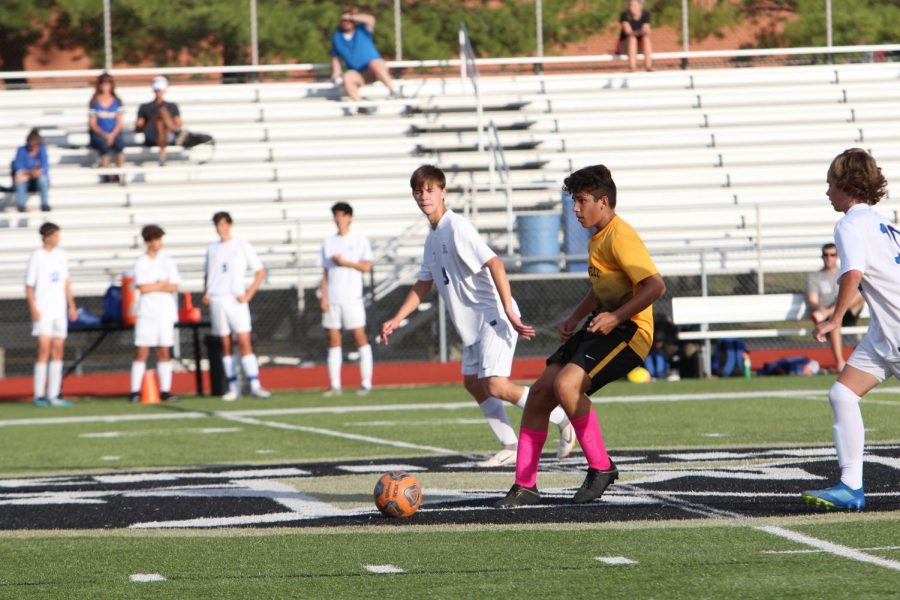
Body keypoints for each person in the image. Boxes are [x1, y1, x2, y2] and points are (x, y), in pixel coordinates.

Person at [381, 165, 576, 467]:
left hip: (493, 317)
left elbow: (495, 263)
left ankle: (562, 417)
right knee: (473, 383)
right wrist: (397, 318)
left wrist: (509, 310)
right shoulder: (432, 238)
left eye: (430, 189)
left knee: (496, 385)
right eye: (418, 191)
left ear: (443, 192)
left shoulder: (456, 227)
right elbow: (423, 283)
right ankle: (511, 444)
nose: (424, 196)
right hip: (472, 327)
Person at [495, 164, 666, 507]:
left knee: (566, 385)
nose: (575, 208)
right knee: (541, 392)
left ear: (603, 201)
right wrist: (575, 315)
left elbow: (655, 286)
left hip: (630, 332)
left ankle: (601, 467)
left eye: (581, 200)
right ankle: (525, 485)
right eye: (573, 200)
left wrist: (616, 316)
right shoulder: (597, 236)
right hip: (602, 325)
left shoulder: (621, 235)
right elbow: (602, 285)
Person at [802, 148, 896, 512]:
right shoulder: (885, 224)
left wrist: (836, 317)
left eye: (830, 184)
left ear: (845, 184)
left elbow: (852, 272)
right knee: (842, 395)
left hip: (897, 330)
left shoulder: (850, 225)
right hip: (884, 332)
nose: (827, 192)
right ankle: (850, 486)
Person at [203, 211, 270, 401]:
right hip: (217, 298)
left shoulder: (241, 245)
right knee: (225, 343)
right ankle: (233, 387)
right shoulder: (212, 248)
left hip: (235, 299)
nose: (220, 228)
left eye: (223, 224)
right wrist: (207, 292)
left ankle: (255, 384)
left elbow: (260, 271)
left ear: (230, 225)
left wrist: (248, 294)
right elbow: (208, 273)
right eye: (217, 225)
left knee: (243, 341)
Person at [321, 202, 374, 396]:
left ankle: (366, 383)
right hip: (333, 299)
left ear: (350, 217)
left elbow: (367, 266)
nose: (339, 219)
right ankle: (335, 385)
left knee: (359, 337)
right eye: (336, 216)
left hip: (352, 298)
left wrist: (345, 263)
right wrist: (324, 296)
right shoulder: (328, 242)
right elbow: (325, 272)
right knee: (333, 340)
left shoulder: (359, 240)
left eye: (342, 215)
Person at [25, 222, 77, 407]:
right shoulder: (36, 257)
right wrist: (33, 308)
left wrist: (71, 306)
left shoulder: (61, 255)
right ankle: (39, 395)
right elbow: (29, 286)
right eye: (55, 235)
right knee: (43, 350)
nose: (58, 239)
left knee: (58, 351)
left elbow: (66, 282)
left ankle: (54, 395)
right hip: (43, 310)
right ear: (46, 237)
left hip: (59, 310)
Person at [129, 225, 181, 403]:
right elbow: (142, 287)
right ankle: (135, 390)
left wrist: (155, 285)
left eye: (160, 239)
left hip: (165, 312)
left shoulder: (168, 260)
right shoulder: (141, 262)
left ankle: (165, 390)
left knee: (164, 350)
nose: (159, 243)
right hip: (147, 313)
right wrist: (161, 284)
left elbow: (174, 285)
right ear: (148, 242)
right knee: (142, 350)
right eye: (155, 239)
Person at [805, 242, 865, 372]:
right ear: (822, 257)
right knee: (834, 321)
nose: (829, 258)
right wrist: (820, 309)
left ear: (837, 256)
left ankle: (831, 313)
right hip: (827, 316)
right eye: (826, 255)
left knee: (859, 294)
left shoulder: (846, 273)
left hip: (847, 312)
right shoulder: (815, 277)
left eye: (832, 255)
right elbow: (812, 300)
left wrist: (828, 311)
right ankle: (840, 363)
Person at [330, 6, 400, 111]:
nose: (346, 22)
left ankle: (394, 91)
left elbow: (370, 19)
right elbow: (336, 57)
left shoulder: (362, 30)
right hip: (361, 74)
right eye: (344, 20)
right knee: (347, 77)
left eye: (349, 20)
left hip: (376, 70)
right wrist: (336, 72)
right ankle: (362, 105)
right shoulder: (337, 37)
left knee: (374, 63)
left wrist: (351, 16)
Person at [135, 76, 183, 166]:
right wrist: (140, 124)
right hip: (152, 135)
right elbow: (138, 128)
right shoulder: (145, 107)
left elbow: (179, 123)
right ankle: (176, 133)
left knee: (161, 120)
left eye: (160, 89)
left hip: (167, 135)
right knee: (161, 115)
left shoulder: (172, 106)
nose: (159, 92)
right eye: (157, 89)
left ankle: (162, 154)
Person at [88, 73, 125, 183]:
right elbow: (93, 124)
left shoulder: (117, 101)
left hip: (114, 133)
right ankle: (106, 174)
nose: (106, 85)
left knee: (119, 143)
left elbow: (119, 122)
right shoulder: (94, 102)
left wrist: (112, 134)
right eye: (103, 83)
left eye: (108, 83)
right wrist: (105, 135)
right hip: (100, 133)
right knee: (103, 145)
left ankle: (120, 173)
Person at [12, 128, 50, 212]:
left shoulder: (42, 150)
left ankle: (44, 204)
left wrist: (30, 173)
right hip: (26, 178)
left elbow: (44, 167)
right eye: (32, 143)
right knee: (20, 179)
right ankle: (21, 205)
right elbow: (17, 166)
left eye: (36, 144)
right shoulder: (22, 150)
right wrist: (30, 173)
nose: (33, 146)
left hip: (36, 179)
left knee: (43, 179)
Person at [619, 0, 653, 72]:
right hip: (626, 46)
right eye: (630, 5)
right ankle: (632, 68)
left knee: (646, 39)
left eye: (634, 5)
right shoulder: (624, 15)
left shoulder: (645, 14)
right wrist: (641, 32)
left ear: (640, 6)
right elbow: (628, 31)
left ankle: (648, 67)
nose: (631, 7)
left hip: (640, 46)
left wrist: (642, 32)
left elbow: (646, 29)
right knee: (632, 39)